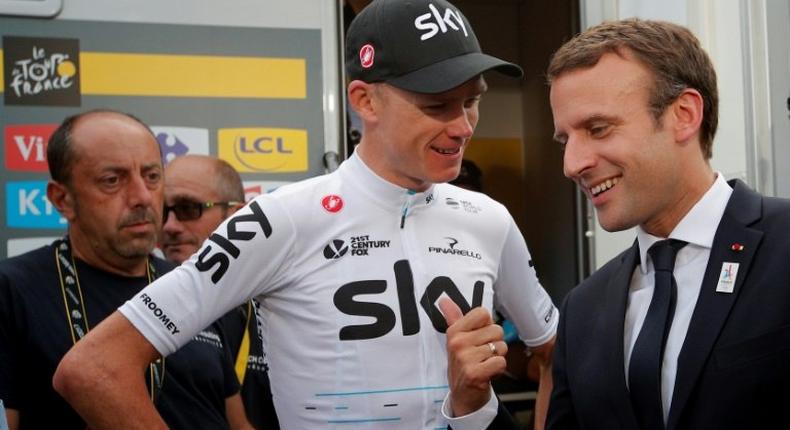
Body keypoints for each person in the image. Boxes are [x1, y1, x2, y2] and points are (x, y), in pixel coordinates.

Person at [53, 1, 558, 429]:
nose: (463, 127)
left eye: (472, 103)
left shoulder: (489, 219)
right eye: (438, 105)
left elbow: (557, 359)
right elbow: (95, 368)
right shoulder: (283, 219)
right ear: (365, 100)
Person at [545, 18, 790, 430]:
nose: (573, 164)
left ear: (684, 115)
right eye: (565, 140)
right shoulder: (581, 310)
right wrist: (475, 406)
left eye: (598, 128)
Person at [0, 110, 245, 430]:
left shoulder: (192, 281)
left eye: (152, 176)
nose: (142, 197)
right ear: (62, 199)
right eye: (112, 180)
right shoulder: (13, 289)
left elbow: (237, 422)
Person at [161, 154, 279, 429]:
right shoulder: (142, 309)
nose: (169, 226)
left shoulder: (284, 301)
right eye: (163, 210)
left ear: (237, 215)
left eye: (189, 208)